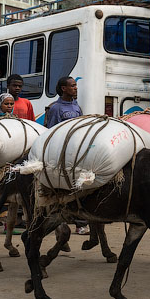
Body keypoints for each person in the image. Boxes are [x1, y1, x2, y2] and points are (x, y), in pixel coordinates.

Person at [45, 77, 87, 235]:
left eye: (76, 86)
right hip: (62, 153)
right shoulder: (56, 108)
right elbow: (53, 131)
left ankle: (81, 222)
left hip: (76, 151)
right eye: (73, 86)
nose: (76, 88)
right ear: (63, 88)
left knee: (79, 186)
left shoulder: (76, 106)